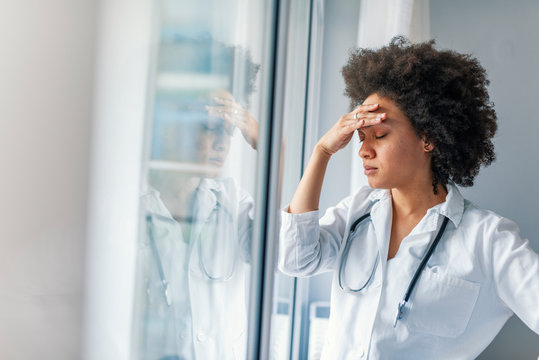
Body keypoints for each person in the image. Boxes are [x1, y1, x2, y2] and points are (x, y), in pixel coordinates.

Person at [278, 37, 539, 359]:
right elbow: (296, 260)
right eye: (360, 137)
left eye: (380, 135)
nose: (363, 150)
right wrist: (322, 152)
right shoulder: (358, 212)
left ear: (427, 138)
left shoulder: (488, 240)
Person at [138, 87, 259, 360]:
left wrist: (269, 145)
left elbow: (281, 255)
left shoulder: (231, 201)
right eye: (209, 128)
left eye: (228, 132)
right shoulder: (131, 204)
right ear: (170, 127)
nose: (222, 144)